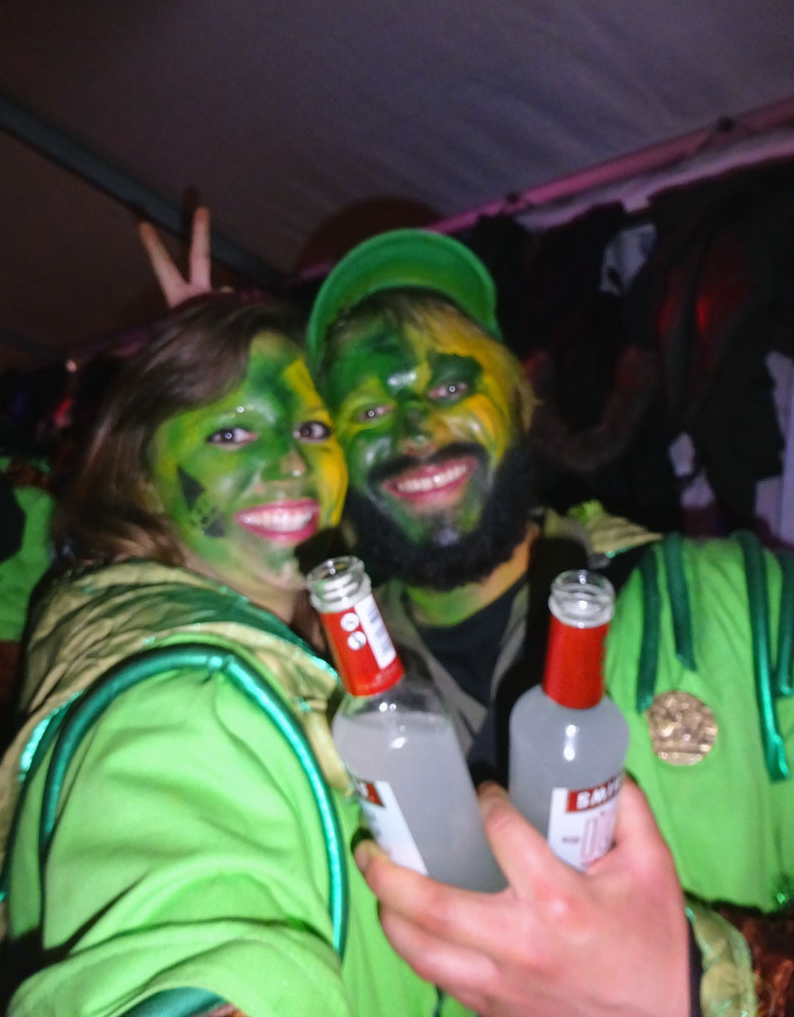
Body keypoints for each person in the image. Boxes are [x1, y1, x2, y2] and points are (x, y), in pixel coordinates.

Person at [140, 213, 793, 1014]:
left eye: (450, 387)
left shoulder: (741, 612)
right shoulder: (309, 693)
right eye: (366, 414)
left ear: (519, 395)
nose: (416, 432)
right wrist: (218, 395)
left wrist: (694, 989)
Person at [0, 295, 472, 1016]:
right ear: (141, 478)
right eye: (230, 433)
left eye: (312, 429)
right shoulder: (182, 703)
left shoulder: (319, 657)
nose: (290, 461)